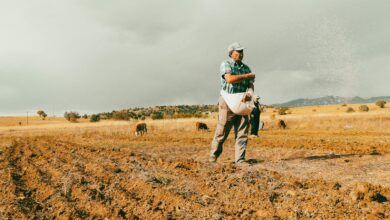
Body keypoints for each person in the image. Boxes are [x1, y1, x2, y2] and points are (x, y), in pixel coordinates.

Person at [209, 42, 256, 164]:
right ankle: (213, 156)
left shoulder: (246, 68)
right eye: (238, 52)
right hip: (227, 100)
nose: (241, 54)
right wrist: (246, 76)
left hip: (242, 101)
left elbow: (251, 84)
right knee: (222, 129)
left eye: (242, 52)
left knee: (242, 131)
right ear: (231, 53)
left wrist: (250, 93)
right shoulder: (226, 64)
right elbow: (229, 79)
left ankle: (240, 160)